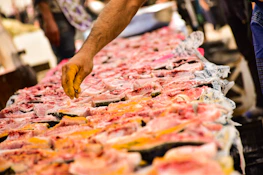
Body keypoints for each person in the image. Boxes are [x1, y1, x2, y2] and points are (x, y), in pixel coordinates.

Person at [220, 0, 263, 117]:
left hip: (247, 6)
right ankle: (260, 102)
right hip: (229, 8)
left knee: (257, 53)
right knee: (248, 54)